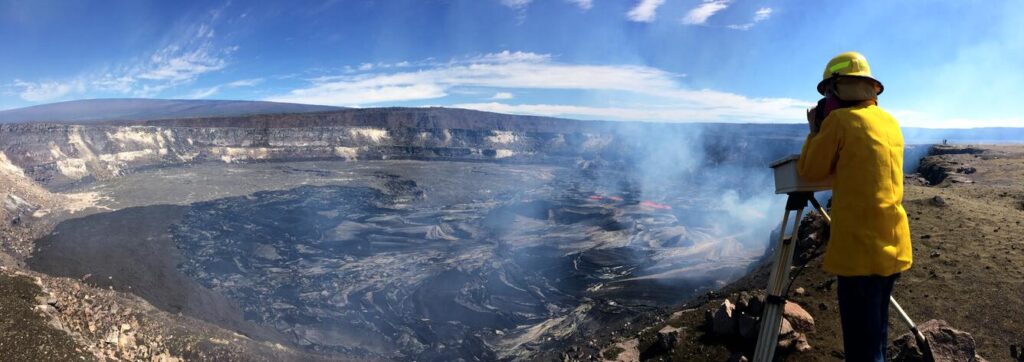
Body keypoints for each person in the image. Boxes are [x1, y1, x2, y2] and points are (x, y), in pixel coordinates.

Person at [797, 52, 913, 361]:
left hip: (860, 254)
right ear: (868, 87)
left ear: (836, 89)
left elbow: (810, 170)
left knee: (862, 350)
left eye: (827, 94)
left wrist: (814, 132)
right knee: (876, 338)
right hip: (893, 246)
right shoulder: (890, 122)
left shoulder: (839, 121)